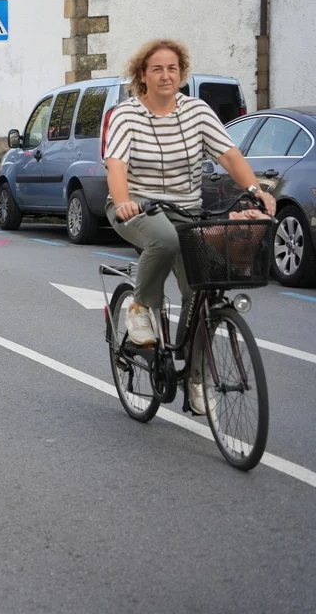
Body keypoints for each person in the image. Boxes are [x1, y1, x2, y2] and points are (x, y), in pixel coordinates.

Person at [104, 39, 275, 414]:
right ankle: (139, 309)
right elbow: (116, 164)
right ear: (142, 75)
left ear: (181, 74)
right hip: (137, 205)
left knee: (202, 289)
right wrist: (123, 201)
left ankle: (195, 379)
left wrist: (255, 190)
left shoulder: (197, 111)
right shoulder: (127, 115)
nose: (166, 75)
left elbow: (229, 155)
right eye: (157, 69)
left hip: (186, 210)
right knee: (164, 240)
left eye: (173, 68)